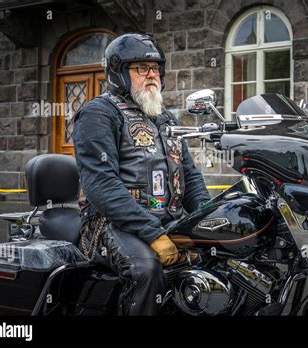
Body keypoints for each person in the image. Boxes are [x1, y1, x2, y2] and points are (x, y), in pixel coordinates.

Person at [71, 33, 211, 315]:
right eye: (141, 69)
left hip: (167, 220)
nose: (151, 75)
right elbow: (101, 185)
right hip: (108, 225)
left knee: (218, 256)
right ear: (118, 73)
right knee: (146, 269)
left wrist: (208, 218)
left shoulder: (164, 118)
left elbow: (191, 177)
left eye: (156, 69)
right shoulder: (98, 114)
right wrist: (153, 234)